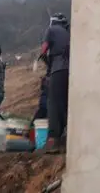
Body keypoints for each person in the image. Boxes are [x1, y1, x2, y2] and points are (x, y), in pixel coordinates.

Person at [39, 12, 71, 154]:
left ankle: (54, 140)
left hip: (58, 70)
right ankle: (66, 137)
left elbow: (43, 50)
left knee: (53, 103)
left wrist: (48, 65)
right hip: (70, 71)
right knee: (65, 103)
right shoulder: (68, 32)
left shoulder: (51, 30)